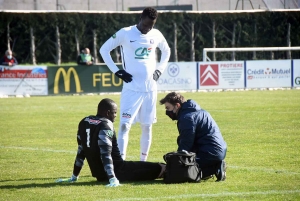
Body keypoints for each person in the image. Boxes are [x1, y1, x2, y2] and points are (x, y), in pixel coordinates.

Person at [99, 7, 171, 161]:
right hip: (131, 89)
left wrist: (160, 70)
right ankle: (120, 163)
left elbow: (167, 51)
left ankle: (143, 162)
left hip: (150, 89)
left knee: (147, 126)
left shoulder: (156, 34)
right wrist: (117, 71)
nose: (147, 28)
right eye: (145, 25)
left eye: (151, 25)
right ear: (140, 18)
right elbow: (104, 49)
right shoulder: (125, 33)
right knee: (124, 125)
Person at [56, 98, 165, 187]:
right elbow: (106, 154)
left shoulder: (84, 121)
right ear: (108, 113)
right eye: (114, 112)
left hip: (99, 175)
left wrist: (74, 176)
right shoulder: (106, 124)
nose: (116, 115)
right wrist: (113, 178)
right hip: (119, 171)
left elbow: (81, 152)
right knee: (158, 168)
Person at [159, 92, 227, 182]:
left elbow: (186, 143)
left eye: (168, 108)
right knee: (180, 141)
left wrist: (178, 161)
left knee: (181, 171)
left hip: (210, 152)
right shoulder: (197, 111)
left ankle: (214, 168)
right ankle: (213, 165)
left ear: (177, 105)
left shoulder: (186, 118)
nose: (167, 111)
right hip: (217, 149)